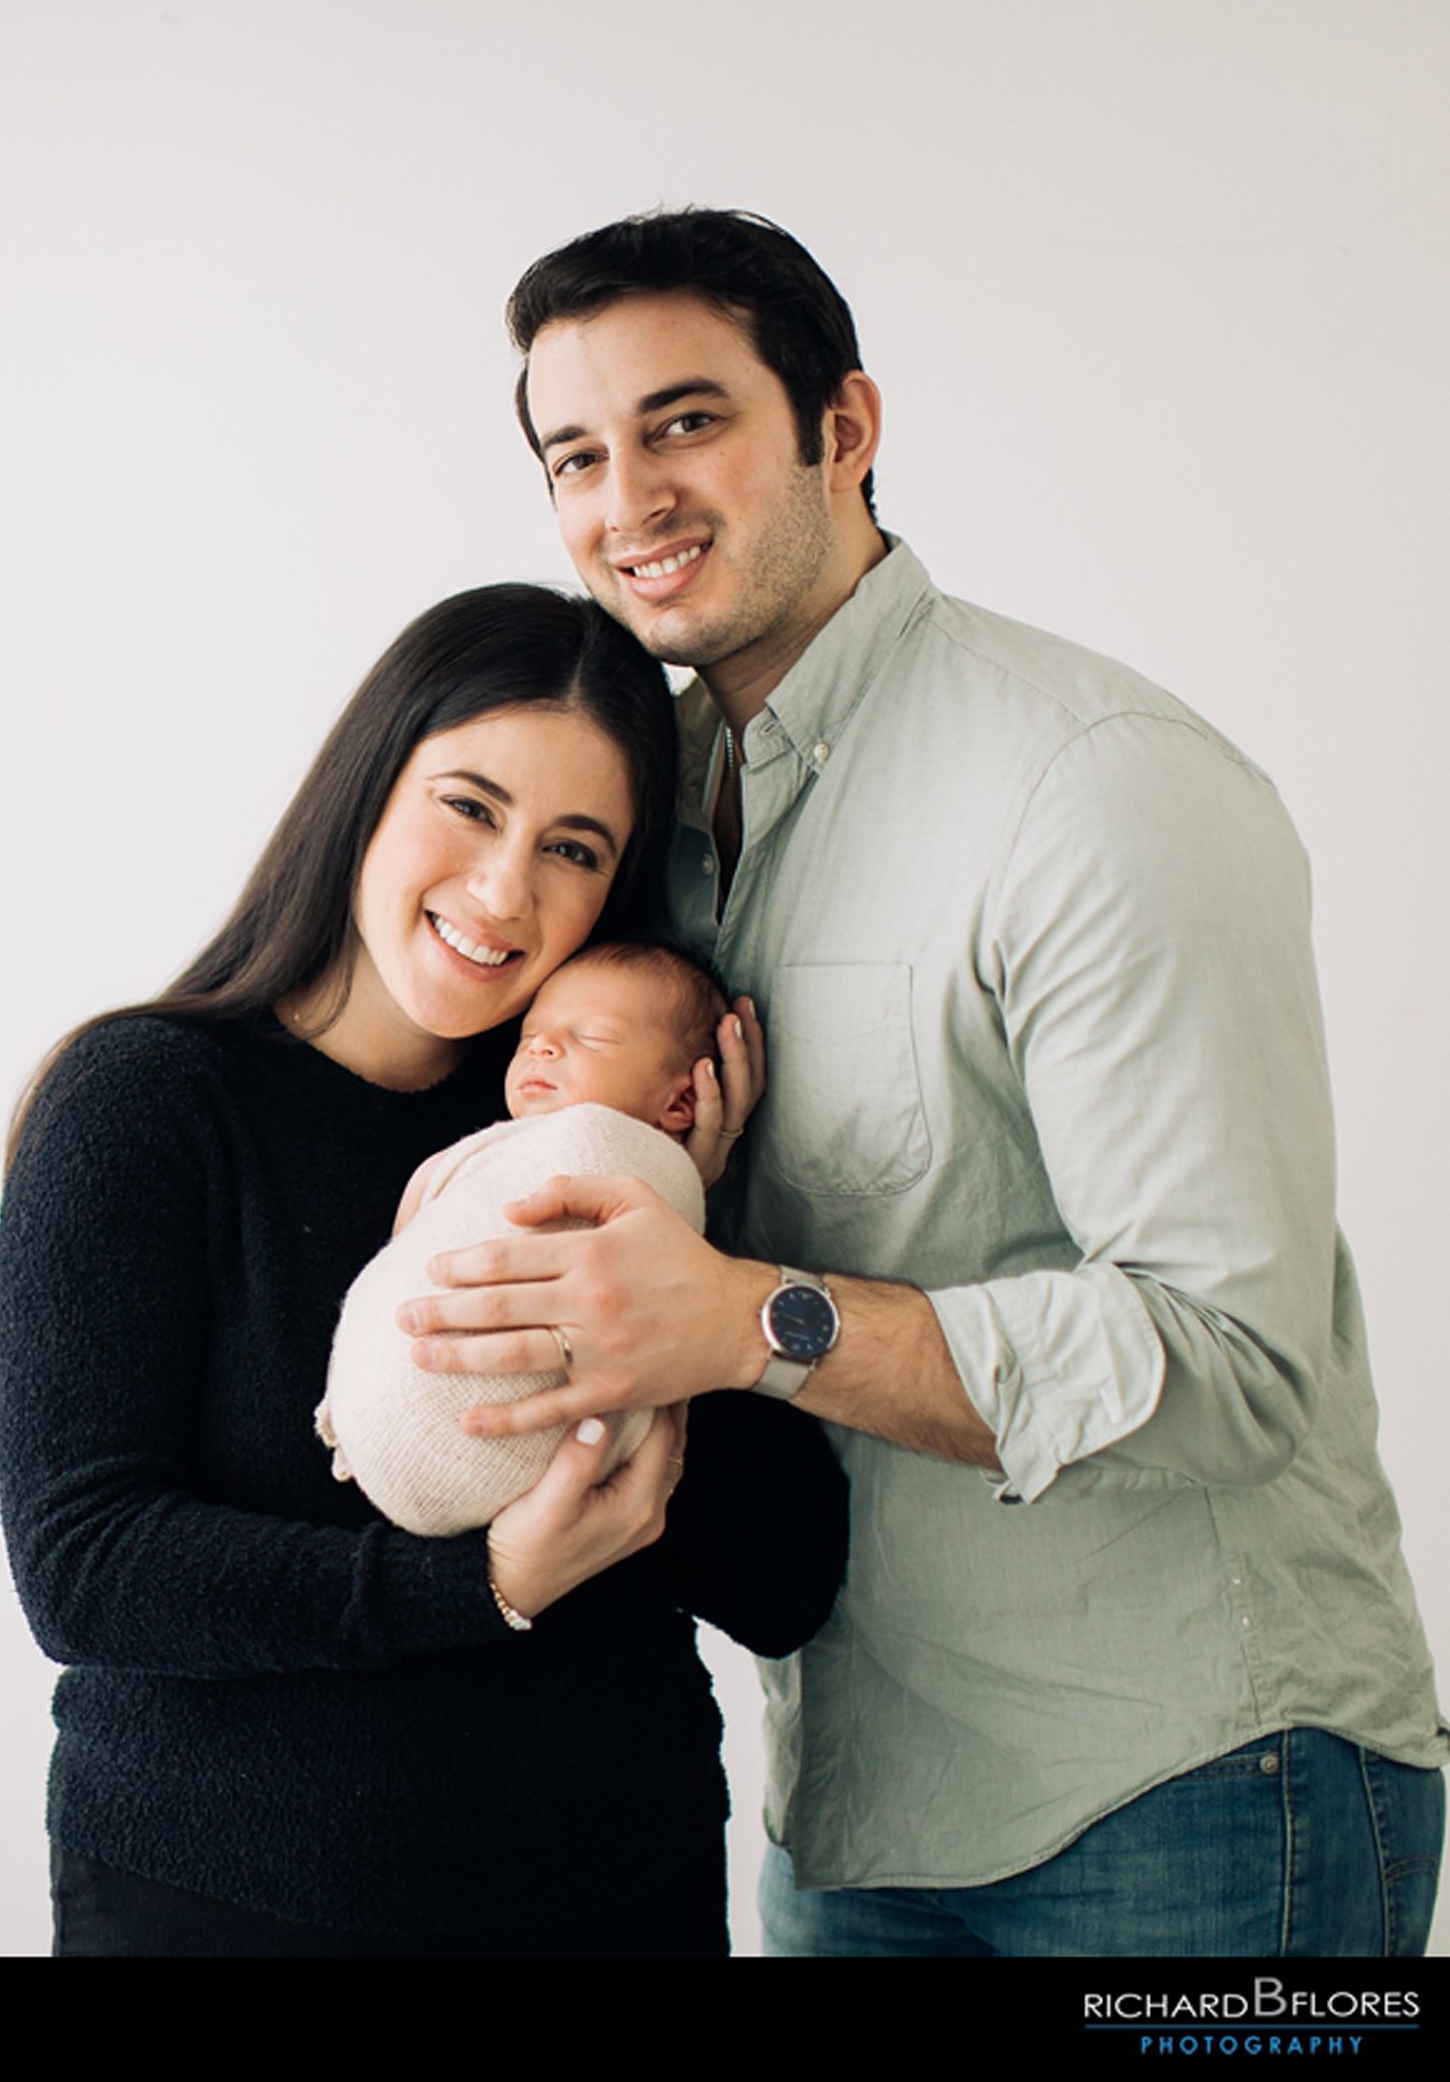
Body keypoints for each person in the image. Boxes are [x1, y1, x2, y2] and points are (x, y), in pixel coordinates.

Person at [403, 208, 1447, 1956]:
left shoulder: (1092, 785)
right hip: (851, 1797)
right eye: (576, 453)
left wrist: (750, 1318)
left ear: (845, 428)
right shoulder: (638, 823)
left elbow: (1236, 1361)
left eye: (685, 422)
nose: (627, 500)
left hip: (1187, 1787)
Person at [0, 585, 847, 1956]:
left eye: (573, 847)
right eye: (470, 805)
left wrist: (686, 1231)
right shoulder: (147, 1102)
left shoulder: (578, 1157)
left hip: (612, 1888)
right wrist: (484, 1583)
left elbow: (786, 1579)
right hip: (235, 1902)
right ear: (369, 787)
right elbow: (85, 1567)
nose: (507, 889)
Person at [320, 942, 736, 1536]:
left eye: (591, 1037)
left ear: (682, 1100)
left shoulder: (614, 1156)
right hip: (406, 1421)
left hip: (503, 1459)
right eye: (530, 1035)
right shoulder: (506, 1150)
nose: (542, 1046)